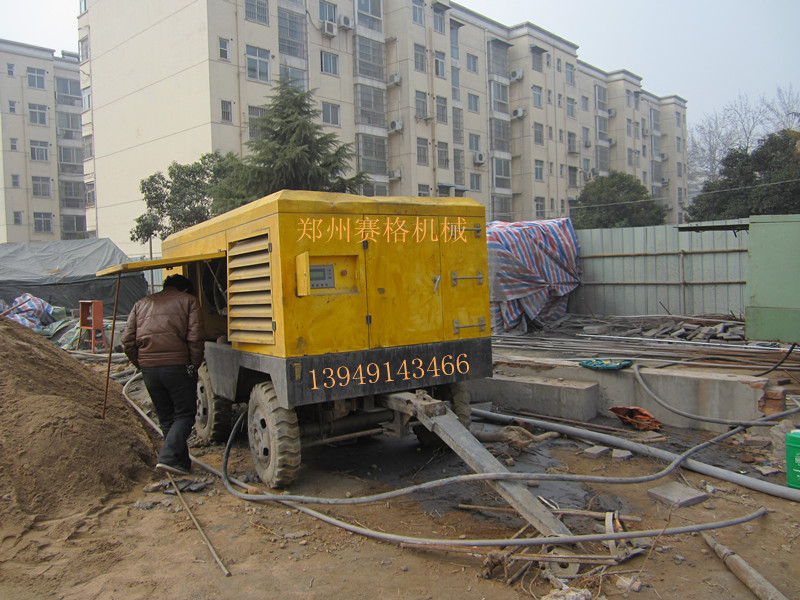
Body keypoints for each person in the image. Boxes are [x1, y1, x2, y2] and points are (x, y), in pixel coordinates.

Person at [122, 273, 205, 475]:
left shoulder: (140, 304)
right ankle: (167, 456)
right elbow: (195, 339)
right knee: (185, 415)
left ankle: (179, 465)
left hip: (150, 369)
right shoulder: (189, 301)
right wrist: (193, 365)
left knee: (167, 418)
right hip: (177, 365)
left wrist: (141, 364)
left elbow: (126, 340)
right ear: (185, 290)